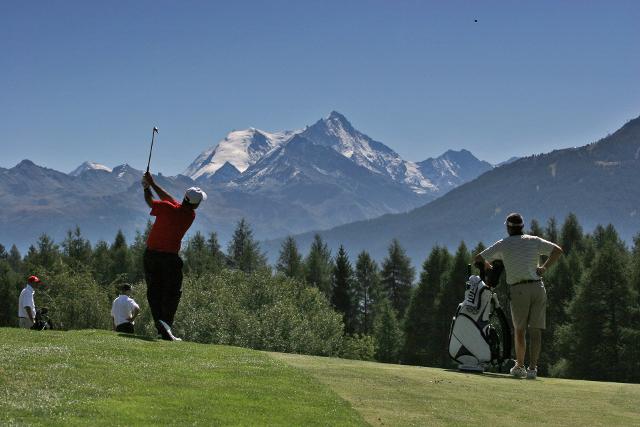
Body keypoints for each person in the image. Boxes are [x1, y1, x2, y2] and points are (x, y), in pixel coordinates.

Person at [474, 212, 563, 379]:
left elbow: (478, 258)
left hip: (519, 289)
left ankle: (520, 366)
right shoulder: (534, 241)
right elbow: (557, 251)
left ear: (508, 228)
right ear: (522, 227)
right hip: (538, 287)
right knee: (536, 331)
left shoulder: (503, 244)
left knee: (520, 330)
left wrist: (487, 267)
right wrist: (544, 268)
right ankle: (533, 369)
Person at [142, 171, 207, 341]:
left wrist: (146, 188)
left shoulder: (168, 208)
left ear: (185, 197)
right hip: (170, 259)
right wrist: (153, 184)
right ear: (195, 204)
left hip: (150, 256)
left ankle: (161, 326)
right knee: (173, 292)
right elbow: (169, 200)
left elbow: (151, 202)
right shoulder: (189, 215)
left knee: (154, 291)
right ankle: (165, 325)